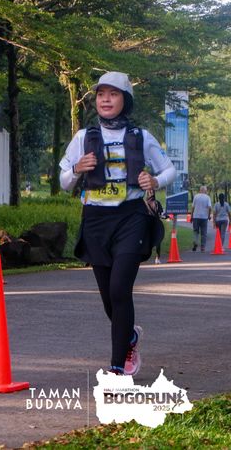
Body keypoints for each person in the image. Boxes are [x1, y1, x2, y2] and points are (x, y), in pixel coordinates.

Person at [59, 71, 176, 377]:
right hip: (96, 219)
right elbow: (64, 181)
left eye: (113, 94)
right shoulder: (83, 137)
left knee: (120, 288)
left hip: (131, 217)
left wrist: (154, 181)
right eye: (101, 94)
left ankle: (117, 367)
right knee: (109, 297)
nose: (106, 100)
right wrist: (77, 168)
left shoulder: (141, 137)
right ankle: (130, 337)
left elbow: (169, 171)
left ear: (126, 100)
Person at [191, 186, 211, 251]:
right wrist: (209, 215)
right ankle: (202, 247)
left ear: (200, 190)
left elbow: (193, 207)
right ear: (205, 191)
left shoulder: (196, 196)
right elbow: (209, 207)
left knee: (195, 231)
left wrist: (191, 216)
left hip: (196, 217)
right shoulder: (207, 197)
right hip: (204, 217)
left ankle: (195, 242)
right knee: (203, 233)